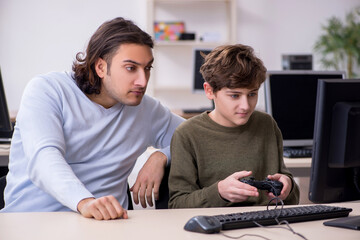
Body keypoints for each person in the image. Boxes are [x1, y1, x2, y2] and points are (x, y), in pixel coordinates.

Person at [1, 17, 184, 220]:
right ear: (101, 67)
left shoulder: (147, 109)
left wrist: (161, 156)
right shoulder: (48, 90)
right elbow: (44, 157)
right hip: (33, 222)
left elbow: (196, 138)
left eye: (147, 68)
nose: (142, 81)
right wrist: (84, 202)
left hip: (108, 226)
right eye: (131, 68)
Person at [168, 44, 300, 208]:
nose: (245, 105)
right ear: (209, 91)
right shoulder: (187, 135)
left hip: (269, 225)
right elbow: (178, 205)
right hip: (217, 229)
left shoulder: (267, 124)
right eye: (235, 95)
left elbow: (291, 197)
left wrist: (288, 184)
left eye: (252, 94)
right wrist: (219, 192)